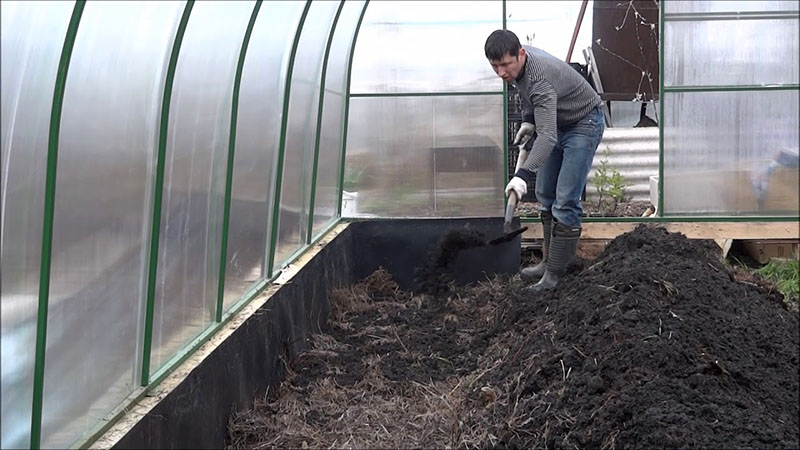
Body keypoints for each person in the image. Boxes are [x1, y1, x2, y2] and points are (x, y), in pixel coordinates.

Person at [485, 29, 605, 292]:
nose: (502, 72)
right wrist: (529, 118)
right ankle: (549, 261)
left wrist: (522, 175)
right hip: (560, 121)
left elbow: (547, 137)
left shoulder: (540, 80)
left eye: (505, 65)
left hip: (584, 122)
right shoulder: (519, 61)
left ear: (521, 54)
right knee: (545, 194)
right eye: (495, 66)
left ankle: (554, 275)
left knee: (565, 199)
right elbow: (525, 91)